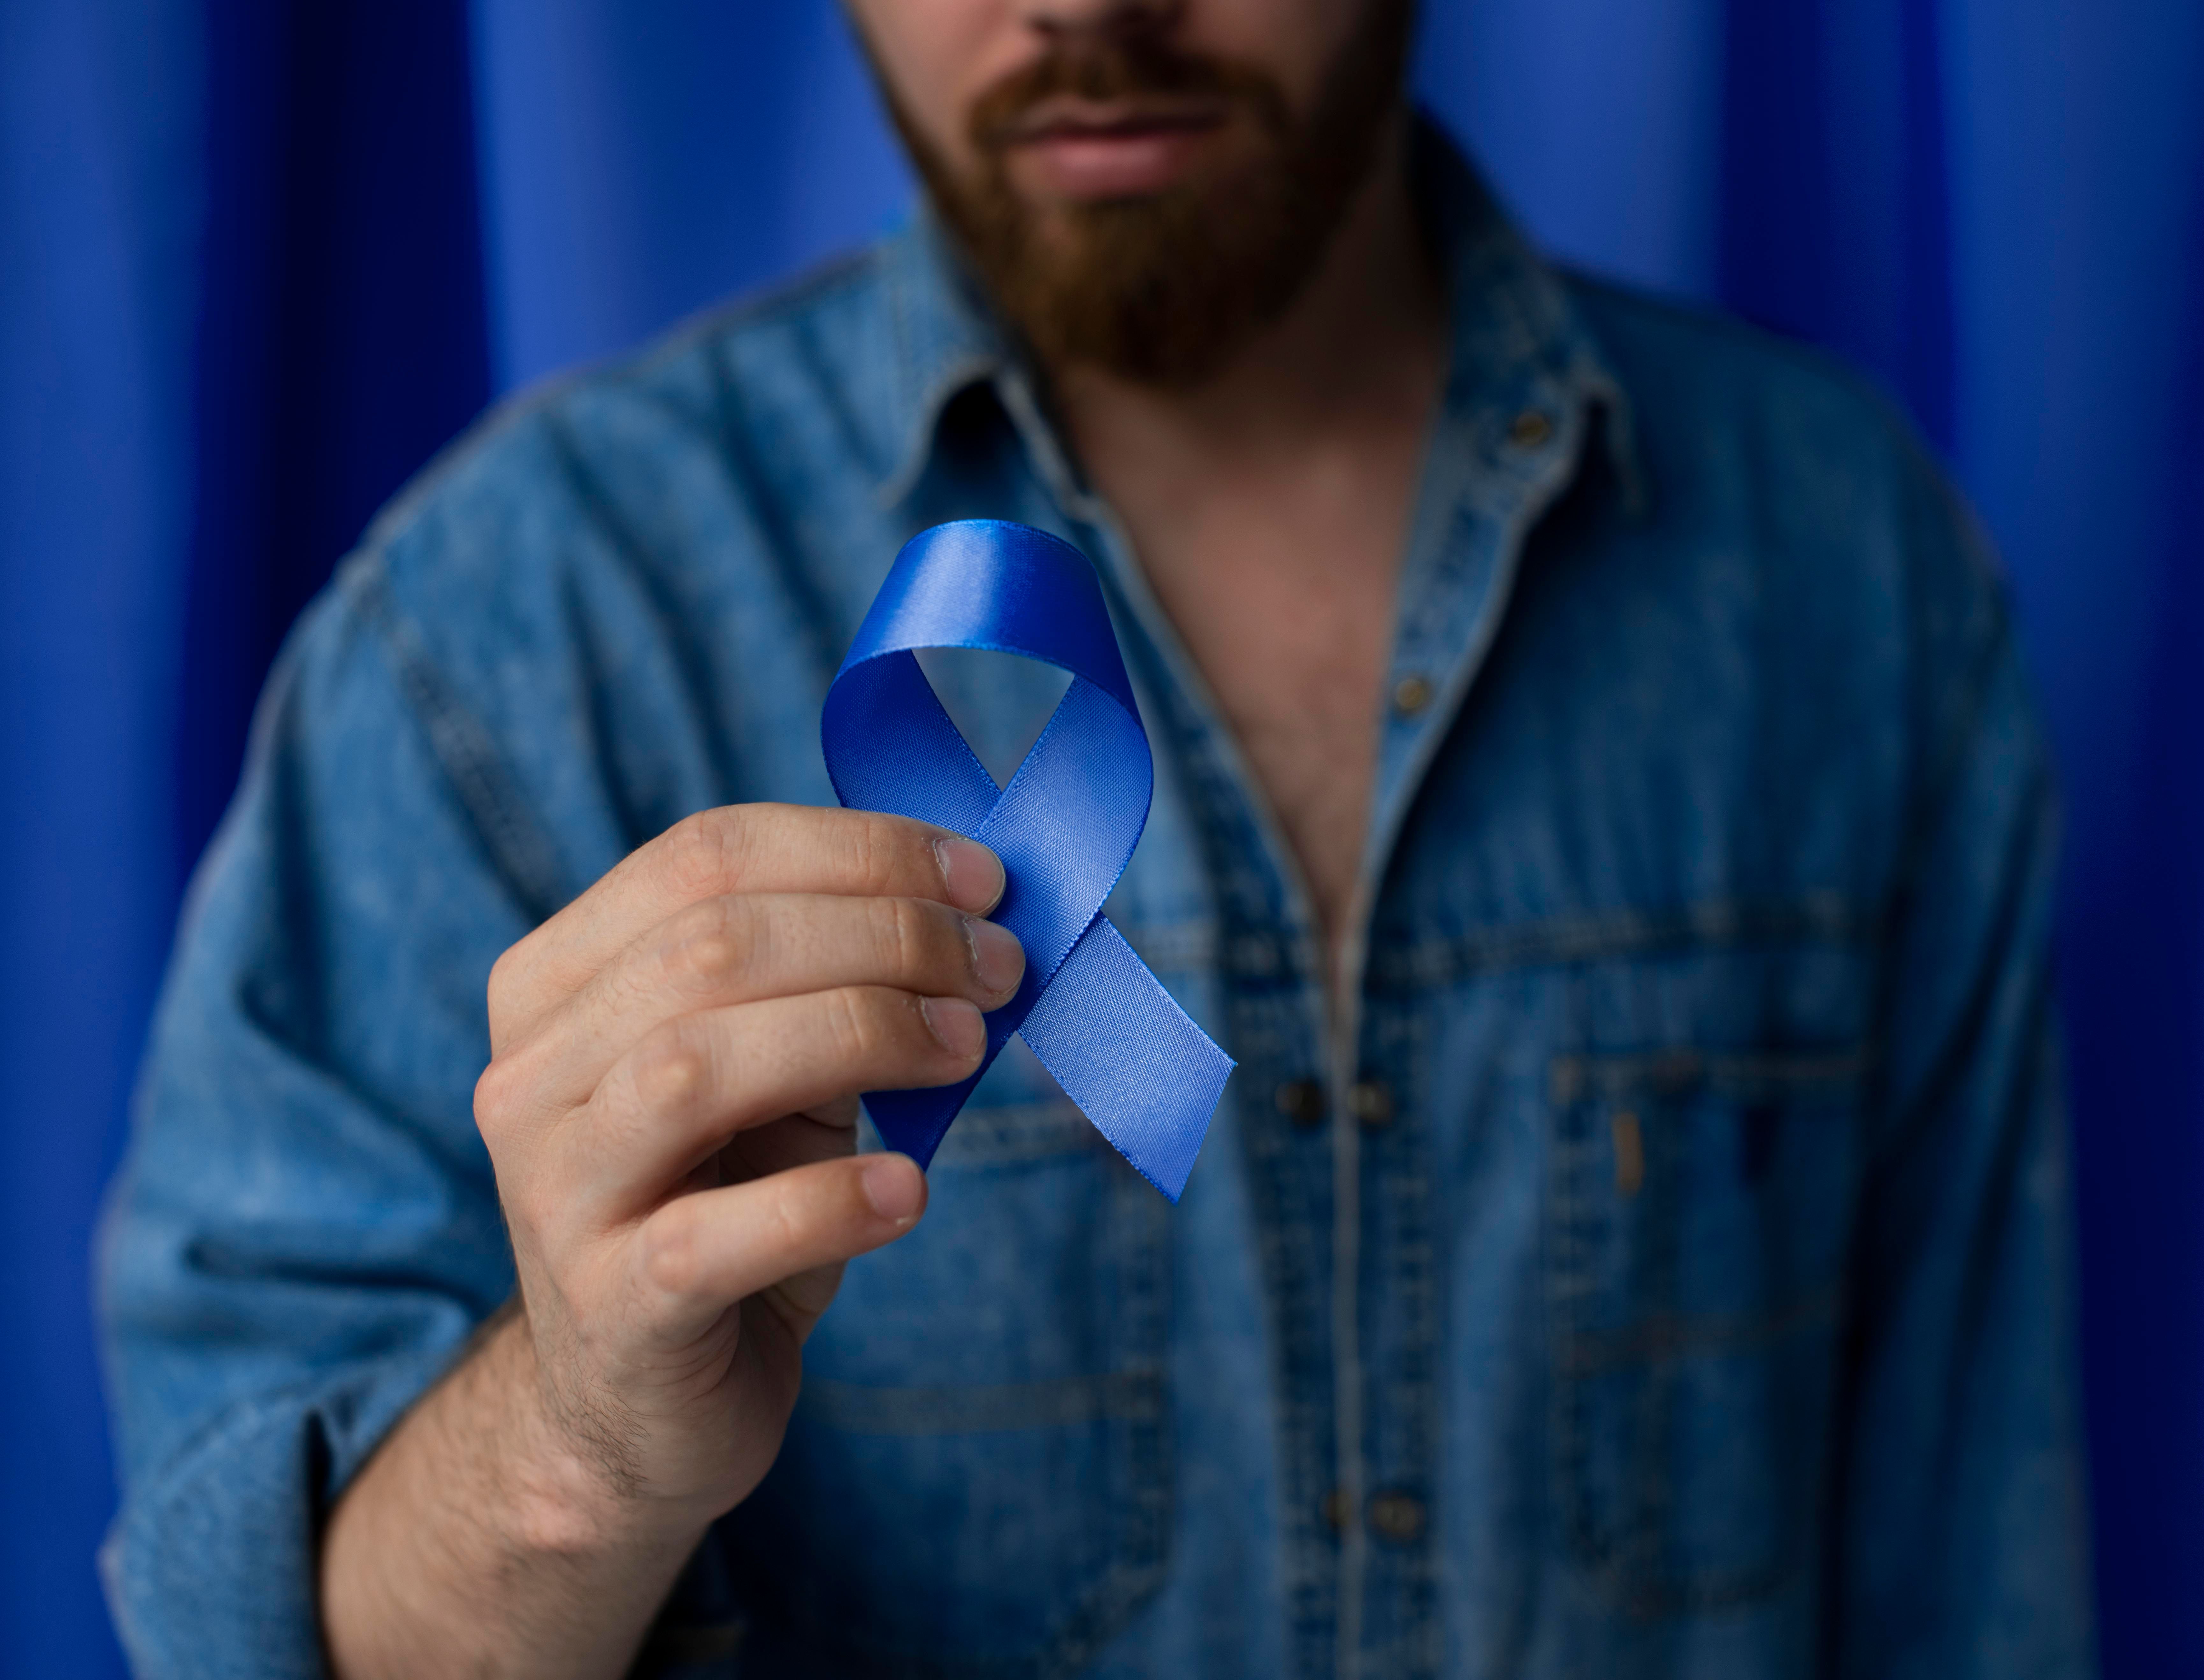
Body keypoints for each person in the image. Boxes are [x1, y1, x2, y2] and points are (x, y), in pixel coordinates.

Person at [98, 0, 2096, 1675]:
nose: (1086, 6)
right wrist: (575, 1450)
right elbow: (242, 1636)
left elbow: (1975, 1587)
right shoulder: (505, 634)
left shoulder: (1844, 571)